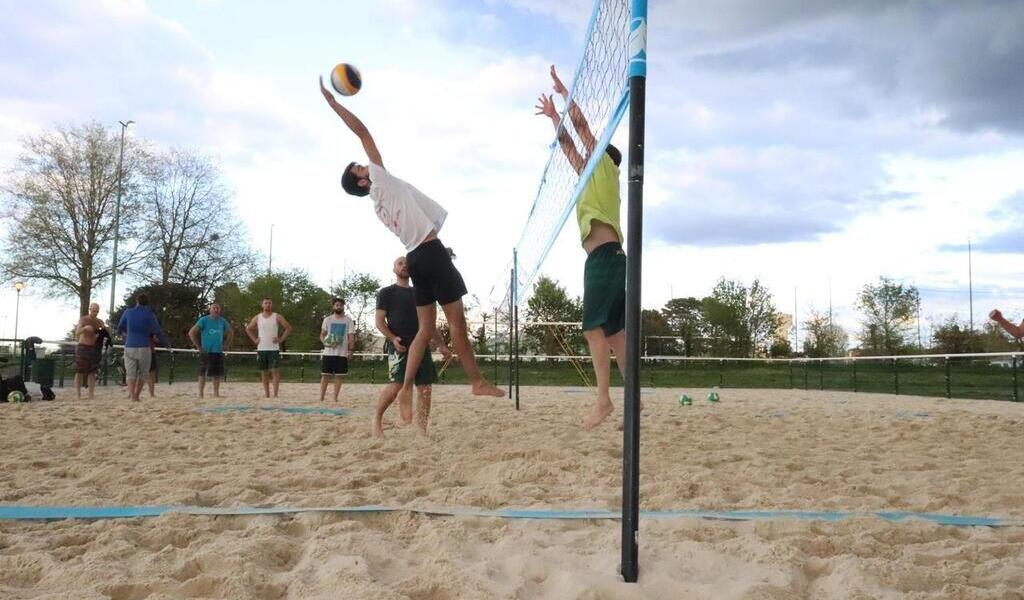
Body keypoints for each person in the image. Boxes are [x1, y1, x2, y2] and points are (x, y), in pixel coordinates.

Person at [319, 76, 504, 413]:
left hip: (416, 258)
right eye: (359, 167)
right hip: (430, 253)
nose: (365, 164)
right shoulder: (381, 180)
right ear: (362, 179)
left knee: (425, 330)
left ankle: (406, 388)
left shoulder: (378, 204)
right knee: (458, 324)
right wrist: (334, 105)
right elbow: (363, 131)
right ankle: (476, 381)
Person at [536, 64, 628, 429]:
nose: (587, 155)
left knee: (593, 330)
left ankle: (603, 401)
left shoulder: (605, 165)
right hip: (606, 258)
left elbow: (583, 129)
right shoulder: (588, 175)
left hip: (606, 258)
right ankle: (633, 403)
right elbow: (567, 145)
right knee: (616, 335)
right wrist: (553, 117)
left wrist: (564, 93)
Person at [372, 256, 453, 437]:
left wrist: (441, 345)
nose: (404, 266)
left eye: (406, 263)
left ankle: (421, 431)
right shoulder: (386, 292)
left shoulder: (421, 293)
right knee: (396, 385)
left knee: (425, 388)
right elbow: (379, 322)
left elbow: (429, 323)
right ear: (394, 269)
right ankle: (377, 420)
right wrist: (392, 338)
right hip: (399, 345)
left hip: (421, 345)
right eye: (400, 263)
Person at [116, 293, 167, 402]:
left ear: (137, 301)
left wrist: (125, 335)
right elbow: (157, 331)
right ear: (147, 302)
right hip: (144, 346)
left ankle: (132, 396)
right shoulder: (150, 314)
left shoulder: (128, 312)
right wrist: (165, 343)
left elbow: (120, 328)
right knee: (143, 373)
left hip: (130, 345)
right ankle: (137, 395)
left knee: (130, 373)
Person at [245, 298, 292, 399]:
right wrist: (254, 339)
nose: (268, 305)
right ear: (262, 305)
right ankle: (267, 395)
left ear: (272, 305)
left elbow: (288, 328)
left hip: (273, 349)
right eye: (266, 303)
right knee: (264, 372)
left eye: (269, 303)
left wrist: (280, 339)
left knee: (275, 371)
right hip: (262, 349)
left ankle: (275, 395)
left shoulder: (277, 316)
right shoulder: (258, 317)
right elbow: (248, 329)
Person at [188, 302, 232, 399]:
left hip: (218, 351)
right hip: (206, 351)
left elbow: (230, 332)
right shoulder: (204, 320)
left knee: (217, 373)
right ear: (210, 310)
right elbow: (191, 333)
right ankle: (200, 394)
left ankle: (216, 393)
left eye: (217, 308)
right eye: (214, 308)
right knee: (202, 372)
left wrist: (226, 344)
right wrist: (198, 346)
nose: (216, 310)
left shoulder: (222, 321)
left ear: (220, 310)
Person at [319, 297, 355, 402]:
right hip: (328, 353)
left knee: (339, 376)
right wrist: (325, 342)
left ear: (343, 307)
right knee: (325, 375)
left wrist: (351, 350)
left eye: (341, 305)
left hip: (342, 353)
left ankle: (335, 398)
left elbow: (351, 336)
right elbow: (322, 335)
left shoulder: (348, 320)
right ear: (333, 306)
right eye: (337, 305)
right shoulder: (327, 319)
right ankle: (321, 398)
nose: (339, 307)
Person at [73, 302, 106, 399]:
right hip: (83, 346)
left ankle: (91, 394)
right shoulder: (84, 319)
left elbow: (104, 334)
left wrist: (103, 331)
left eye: (97, 311)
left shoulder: (99, 322)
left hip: (93, 347)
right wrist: (84, 328)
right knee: (79, 371)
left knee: (92, 371)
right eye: (93, 310)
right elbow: (77, 332)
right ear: (90, 309)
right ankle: (78, 394)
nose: (95, 312)